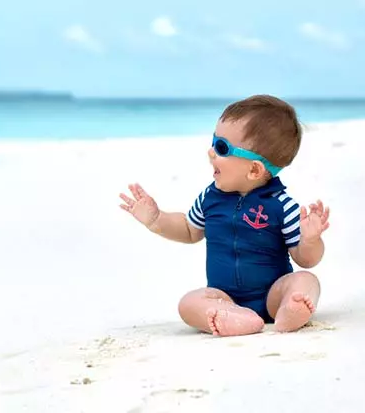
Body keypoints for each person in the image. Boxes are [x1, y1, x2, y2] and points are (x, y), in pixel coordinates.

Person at [119, 95, 330, 336]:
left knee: (306, 280)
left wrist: (311, 240)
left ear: (254, 169)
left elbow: (305, 259)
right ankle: (234, 317)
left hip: (273, 293)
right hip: (223, 296)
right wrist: (156, 220)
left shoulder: (282, 206)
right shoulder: (210, 198)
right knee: (188, 303)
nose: (210, 152)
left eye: (222, 148)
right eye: (214, 141)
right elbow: (189, 230)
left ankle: (290, 309)